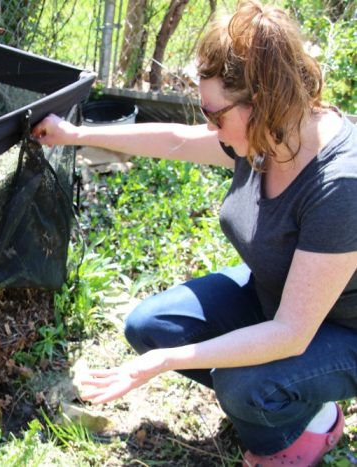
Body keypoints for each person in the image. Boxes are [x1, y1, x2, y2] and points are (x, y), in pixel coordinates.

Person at [31, 1, 356, 465]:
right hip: (277, 297)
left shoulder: (340, 183)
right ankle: (292, 395)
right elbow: (177, 140)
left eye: (214, 113)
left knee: (241, 386)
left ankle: (310, 423)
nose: (209, 125)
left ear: (262, 101)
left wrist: (164, 363)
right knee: (152, 326)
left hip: (341, 331)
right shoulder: (267, 135)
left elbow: (291, 332)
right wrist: (75, 135)